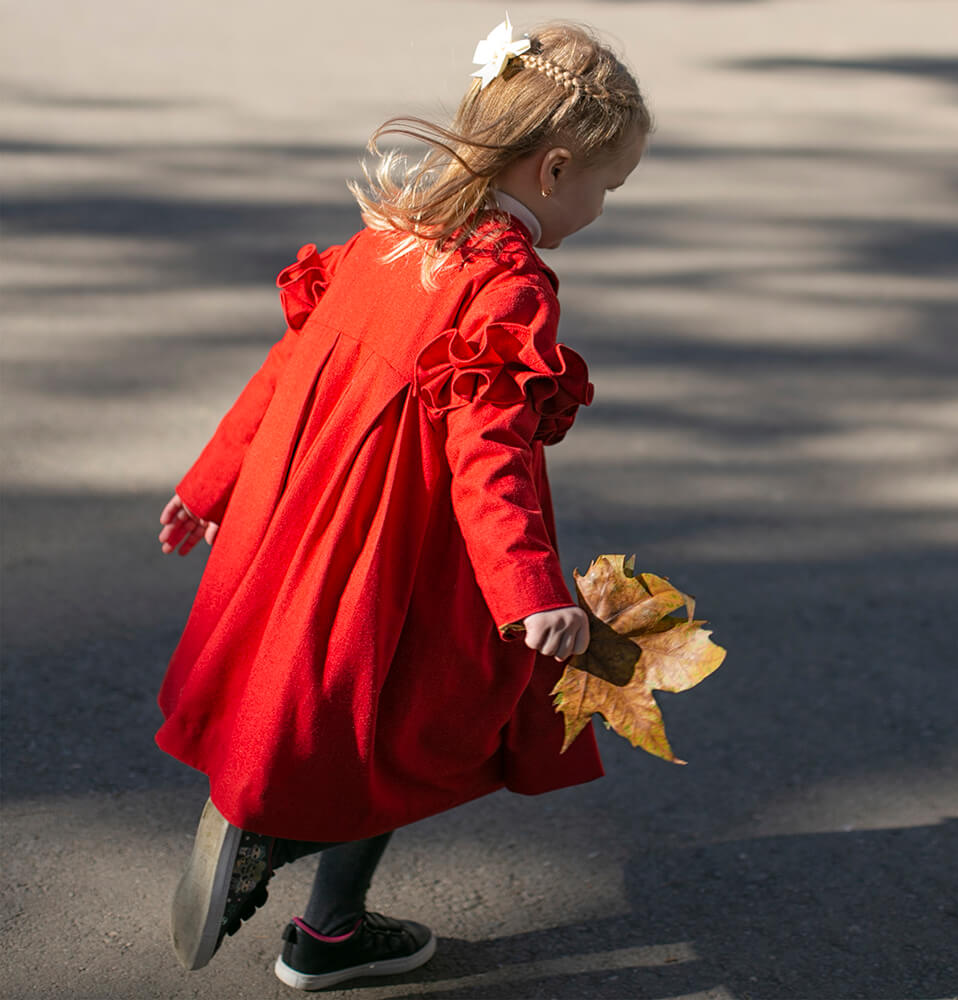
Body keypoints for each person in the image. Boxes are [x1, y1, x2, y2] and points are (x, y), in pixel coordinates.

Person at [156, 15, 650, 992]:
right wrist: (527, 588)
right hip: (415, 540)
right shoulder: (504, 288)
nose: (604, 204)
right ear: (554, 169)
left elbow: (286, 367)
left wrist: (209, 483)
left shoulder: (388, 241)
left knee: (374, 712)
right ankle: (306, 892)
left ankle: (316, 901)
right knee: (416, 718)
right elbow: (487, 448)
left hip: (307, 511)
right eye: (609, 184)